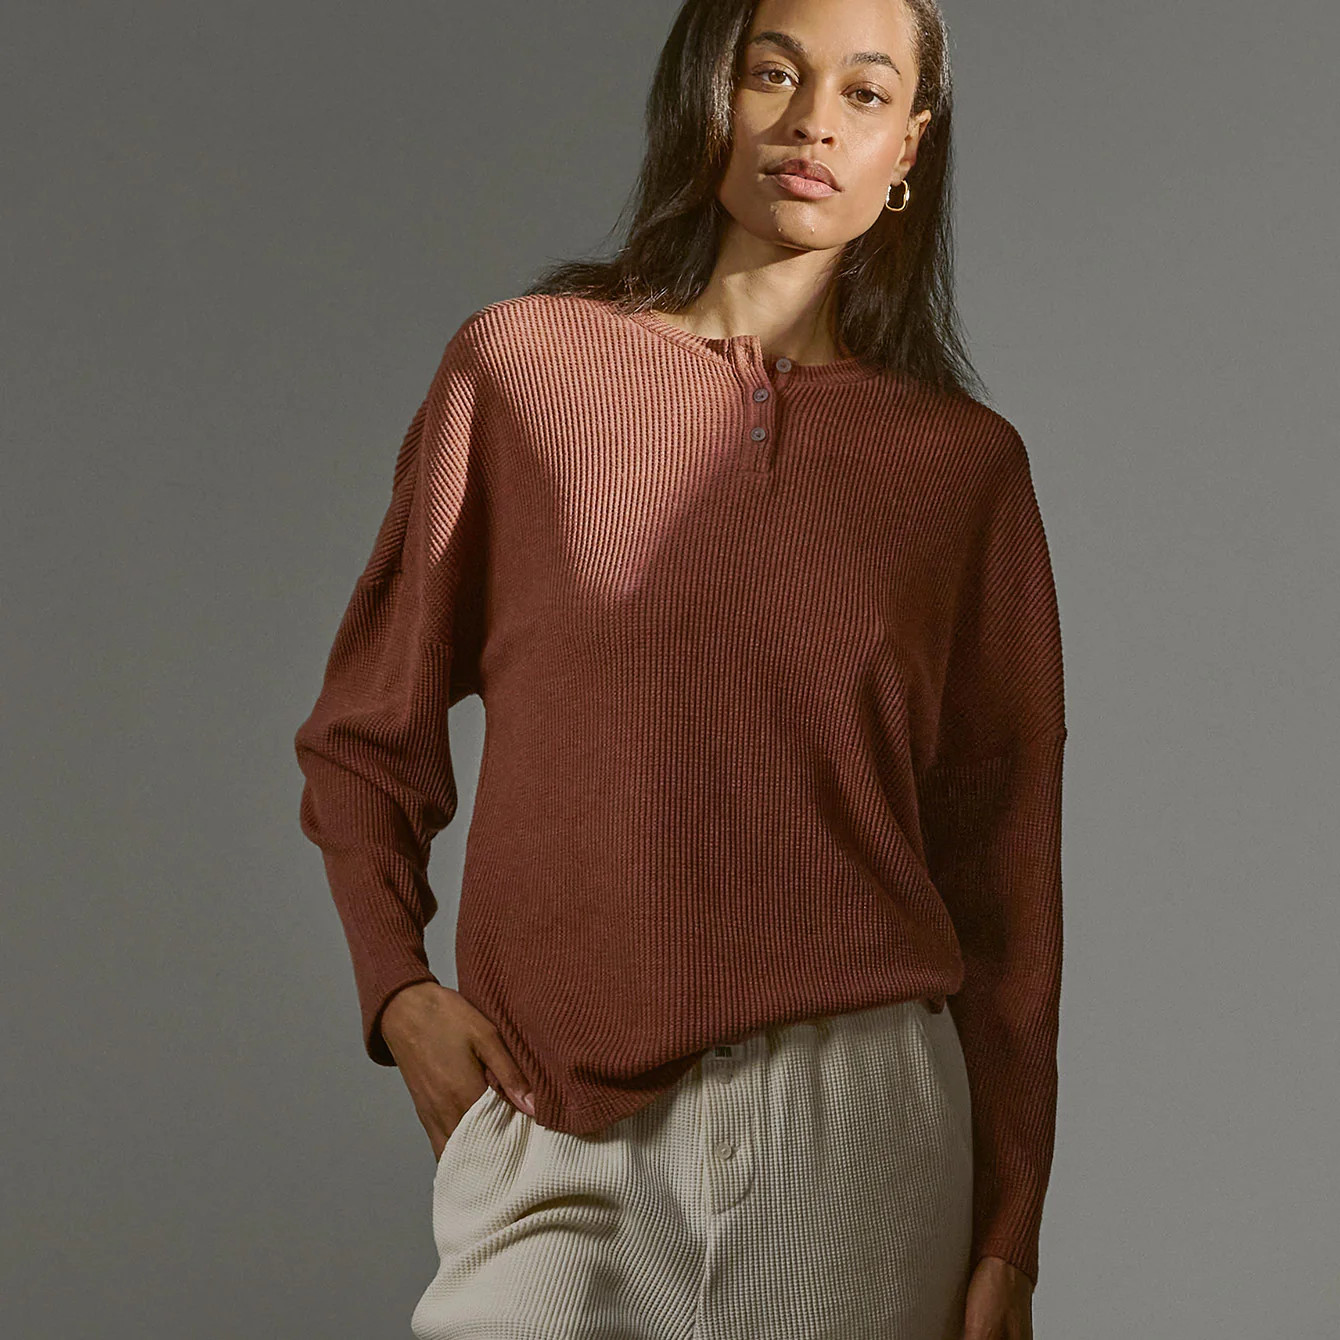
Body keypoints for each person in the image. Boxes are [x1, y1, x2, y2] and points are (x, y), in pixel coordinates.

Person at [292, 0, 1067, 1336]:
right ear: (705, 94)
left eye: (865, 94)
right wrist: (396, 989)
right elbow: (366, 736)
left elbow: (1006, 867)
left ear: (909, 150)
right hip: (556, 1109)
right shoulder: (521, 370)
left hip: (859, 1138)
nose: (813, 123)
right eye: (773, 73)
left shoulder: (961, 469)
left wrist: (1010, 1228)